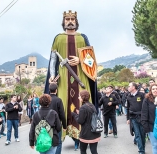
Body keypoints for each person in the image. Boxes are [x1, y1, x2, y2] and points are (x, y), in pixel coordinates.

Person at [44, 10, 98, 141]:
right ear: (63, 22)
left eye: (72, 19)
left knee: (84, 103)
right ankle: (61, 132)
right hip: (63, 77)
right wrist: (52, 75)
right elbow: (53, 59)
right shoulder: (58, 38)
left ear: (76, 21)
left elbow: (90, 57)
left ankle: (87, 131)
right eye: (67, 19)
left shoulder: (82, 37)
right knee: (62, 104)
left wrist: (80, 59)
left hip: (81, 76)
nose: (69, 21)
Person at [127, 82, 145, 154]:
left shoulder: (142, 95)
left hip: (141, 117)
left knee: (142, 134)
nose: (128, 87)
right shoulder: (128, 96)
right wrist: (128, 118)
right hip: (133, 118)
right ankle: (141, 151)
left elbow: (145, 107)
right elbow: (128, 108)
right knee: (137, 134)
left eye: (129, 86)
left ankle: (143, 147)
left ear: (133, 87)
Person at [48, 83, 67, 153]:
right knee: (58, 142)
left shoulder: (46, 99)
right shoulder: (58, 100)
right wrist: (64, 126)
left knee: (49, 141)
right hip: (57, 124)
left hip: (47, 124)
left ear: (49, 90)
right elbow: (62, 114)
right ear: (56, 90)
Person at [141, 83, 157, 154]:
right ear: (150, 90)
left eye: (156, 89)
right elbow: (144, 114)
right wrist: (145, 127)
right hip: (152, 127)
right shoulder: (147, 100)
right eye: (153, 89)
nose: (155, 90)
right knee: (155, 145)